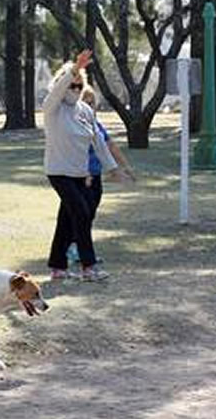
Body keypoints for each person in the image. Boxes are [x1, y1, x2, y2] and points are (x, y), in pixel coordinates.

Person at [43, 50, 128, 282]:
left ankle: (58, 266)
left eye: (80, 87)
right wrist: (74, 69)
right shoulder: (53, 108)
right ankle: (88, 267)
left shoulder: (85, 111)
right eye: (72, 86)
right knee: (80, 213)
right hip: (59, 172)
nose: (76, 91)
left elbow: (99, 143)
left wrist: (113, 168)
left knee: (69, 218)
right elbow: (60, 89)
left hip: (80, 173)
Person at [66, 86, 137, 266]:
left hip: (95, 175)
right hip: (79, 176)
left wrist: (125, 167)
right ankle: (76, 250)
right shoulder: (72, 125)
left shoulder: (97, 126)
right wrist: (84, 172)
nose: (90, 106)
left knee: (89, 214)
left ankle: (78, 247)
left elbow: (110, 146)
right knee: (81, 214)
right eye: (86, 102)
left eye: (93, 103)